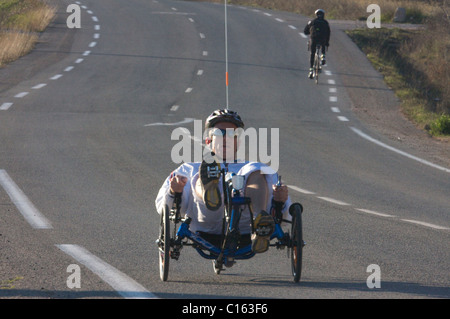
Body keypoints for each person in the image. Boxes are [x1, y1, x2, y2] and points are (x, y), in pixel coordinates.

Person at [155, 109, 291, 254]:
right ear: (208, 141)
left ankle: (259, 223)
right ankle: (209, 191)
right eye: (219, 134)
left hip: (246, 225)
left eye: (232, 134)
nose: (226, 138)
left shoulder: (252, 167)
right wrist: (174, 190)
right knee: (203, 172)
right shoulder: (188, 168)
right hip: (205, 221)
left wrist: (280, 200)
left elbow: (285, 216)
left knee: (257, 171)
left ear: (238, 141)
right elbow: (163, 206)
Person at [303, 9, 331, 79]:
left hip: (314, 39)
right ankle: (323, 55)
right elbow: (328, 33)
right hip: (322, 39)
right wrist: (327, 43)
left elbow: (305, 31)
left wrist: (310, 32)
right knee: (324, 42)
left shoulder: (312, 22)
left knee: (312, 53)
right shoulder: (325, 22)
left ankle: (311, 71)